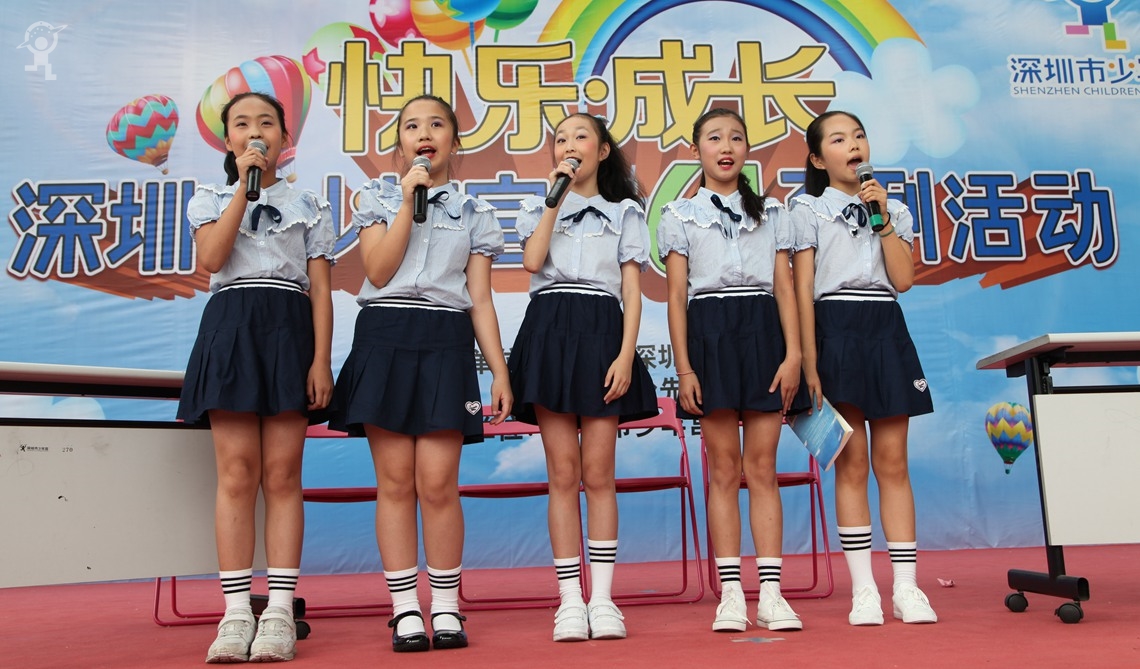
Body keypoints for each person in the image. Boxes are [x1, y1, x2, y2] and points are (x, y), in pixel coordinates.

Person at [330, 94, 512, 653]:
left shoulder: (476, 213)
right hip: (384, 334)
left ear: (455, 142)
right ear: (400, 143)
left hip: (445, 339)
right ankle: (405, 608)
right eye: (412, 126)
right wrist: (409, 199)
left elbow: (480, 298)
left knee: (438, 483)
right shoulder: (377, 198)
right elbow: (379, 269)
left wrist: (499, 371)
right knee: (394, 483)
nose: (424, 133)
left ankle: (447, 606)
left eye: (436, 124)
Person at [177, 91, 335, 663]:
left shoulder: (310, 205)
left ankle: (280, 610)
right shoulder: (210, 199)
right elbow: (211, 260)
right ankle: (236, 611)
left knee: (282, 474)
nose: (254, 132)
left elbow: (321, 290)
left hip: (288, 329)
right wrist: (242, 195)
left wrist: (321, 360)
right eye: (241, 124)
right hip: (232, 328)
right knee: (237, 473)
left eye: (266, 123)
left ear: (284, 138)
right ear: (228, 140)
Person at [657, 107, 808, 633]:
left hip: (763, 332)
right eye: (715, 138)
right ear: (696, 149)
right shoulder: (679, 215)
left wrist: (793, 355)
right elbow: (676, 297)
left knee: (762, 468)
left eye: (736, 138)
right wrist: (685, 368)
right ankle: (731, 595)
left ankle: (772, 593)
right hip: (710, 333)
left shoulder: (773, 213)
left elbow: (785, 287)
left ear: (747, 149)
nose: (726, 146)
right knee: (723, 470)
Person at [508, 113, 657, 642]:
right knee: (563, 472)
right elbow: (532, 261)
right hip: (550, 328)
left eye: (580, 137)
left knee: (599, 473)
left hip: (601, 331)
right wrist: (554, 199)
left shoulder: (625, 212)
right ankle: (570, 599)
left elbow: (632, 291)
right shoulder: (538, 206)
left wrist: (625, 355)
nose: (569, 145)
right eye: (560, 139)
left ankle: (603, 598)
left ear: (602, 150)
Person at [789, 110, 937, 626]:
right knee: (850, 464)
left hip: (884, 326)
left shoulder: (893, 208)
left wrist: (885, 218)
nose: (853, 145)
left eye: (858, 136)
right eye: (838, 139)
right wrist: (809, 360)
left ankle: (906, 588)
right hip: (834, 327)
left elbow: (904, 279)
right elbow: (802, 290)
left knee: (892, 463)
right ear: (817, 158)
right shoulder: (806, 209)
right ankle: (864, 590)